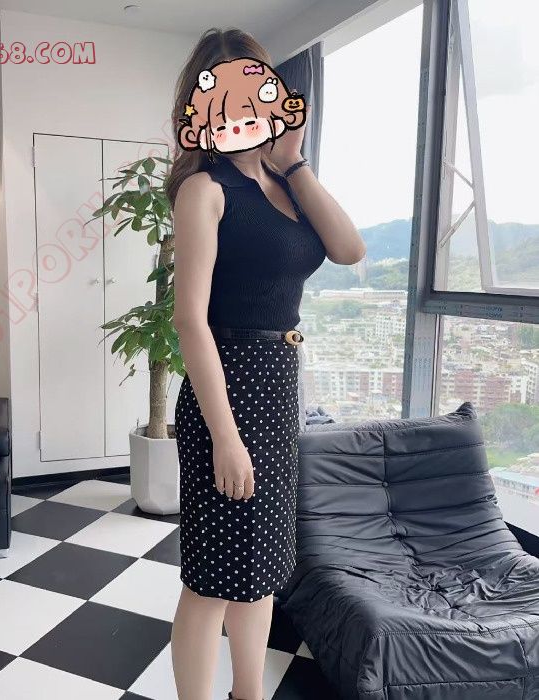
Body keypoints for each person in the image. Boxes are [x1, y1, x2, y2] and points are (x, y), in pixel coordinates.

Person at [167, 27, 366, 700]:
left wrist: (294, 162)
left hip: (277, 390)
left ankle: (248, 693)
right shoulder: (205, 189)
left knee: (260, 572)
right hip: (226, 391)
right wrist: (224, 436)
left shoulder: (283, 183)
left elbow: (349, 249)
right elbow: (190, 320)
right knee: (212, 580)